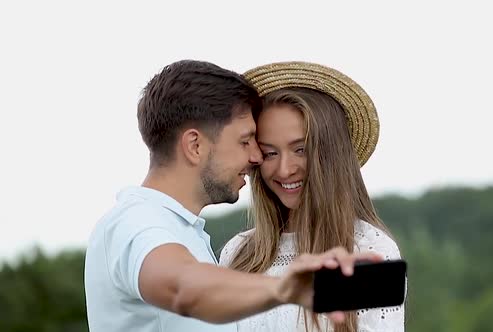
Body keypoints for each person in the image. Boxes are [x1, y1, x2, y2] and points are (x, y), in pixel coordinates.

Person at [84, 60, 383, 332]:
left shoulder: (183, 232)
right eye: (245, 141)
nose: (256, 157)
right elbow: (184, 288)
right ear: (195, 146)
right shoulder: (137, 224)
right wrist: (282, 289)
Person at [220, 62, 406, 332]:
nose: (284, 170)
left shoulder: (367, 249)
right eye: (270, 153)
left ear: (329, 154)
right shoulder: (238, 253)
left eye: (300, 149)